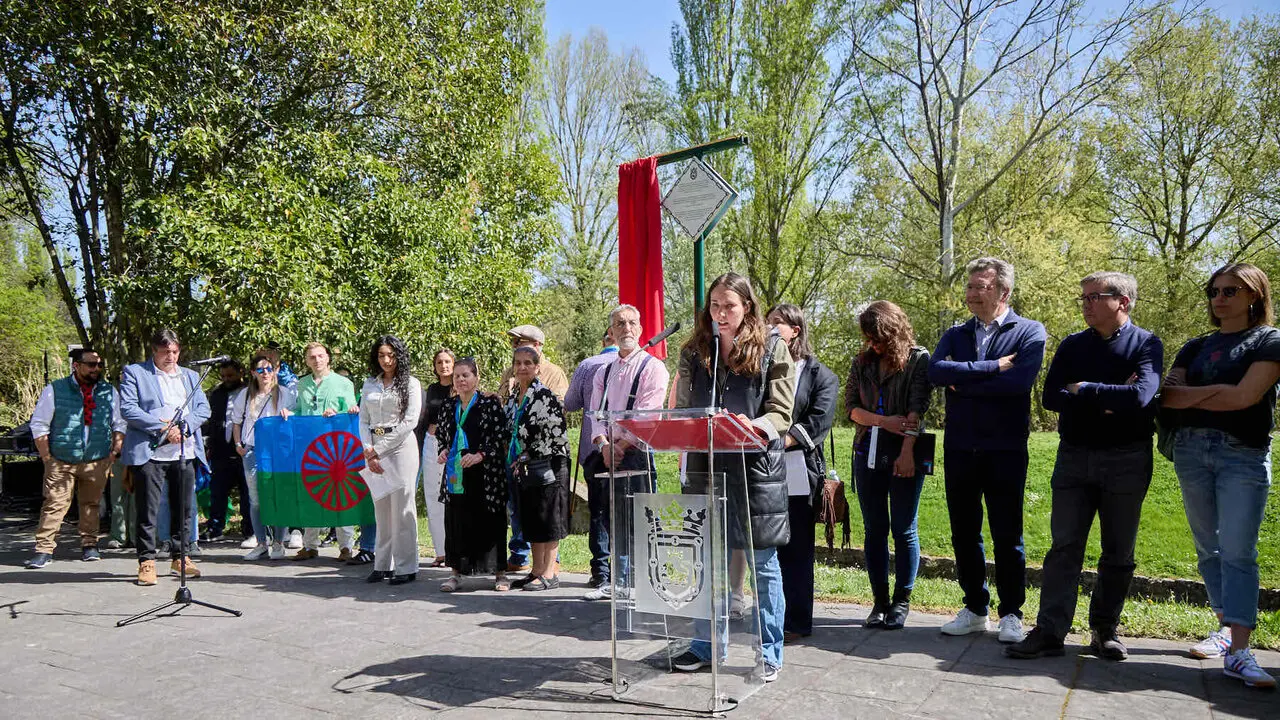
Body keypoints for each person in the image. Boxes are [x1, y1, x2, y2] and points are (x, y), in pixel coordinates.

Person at [1006, 272, 1162, 662]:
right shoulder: (1074, 345)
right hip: (1074, 457)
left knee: (1118, 550)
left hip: (1127, 458)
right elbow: (1050, 397)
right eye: (1084, 297)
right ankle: (1050, 630)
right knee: (1064, 547)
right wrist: (1110, 397)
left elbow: (1142, 396)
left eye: (1095, 297)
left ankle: (1104, 629)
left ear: (1122, 302)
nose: (1086, 304)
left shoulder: (1146, 344)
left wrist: (1084, 389)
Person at [671, 272, 796, 683]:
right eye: (715, 306)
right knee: (707, 561)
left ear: (747, 307)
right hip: (706, 467)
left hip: (755, 468)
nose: (721, 314)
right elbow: (686, 408)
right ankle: (707, 646)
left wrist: (753, 424)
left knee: (762, 563)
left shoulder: (773, 346)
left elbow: (782, 412)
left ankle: (768, 651)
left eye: (729, 306)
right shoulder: (695, 350)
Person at [1160, 263, 1279, 688]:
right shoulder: (1196, 345)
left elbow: (1246, 398)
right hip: (1192, 451)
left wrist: (1198, 396)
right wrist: (1217, 395)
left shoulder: (1270, 341)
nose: (1219, 298)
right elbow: (1169, 397)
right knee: (1208, 547)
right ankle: (1225, 631)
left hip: (1241, 456)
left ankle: (1242, 652)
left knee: (1238, 552)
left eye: (1230, 291)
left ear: (1254, 296)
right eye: (1214, 291)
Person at [929, 257, 1046, 643]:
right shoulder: (956, 333)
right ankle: (975, 608)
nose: (972, 294)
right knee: (964, 532)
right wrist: (993, 367)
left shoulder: (1029, 332)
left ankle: (1012, 612)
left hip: (1005, 449)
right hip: (961, 447)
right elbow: (934, 373)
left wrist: (964, 379)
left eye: (981, 286)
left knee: (1006, 533)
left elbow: (1018, 385)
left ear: (1003, 292)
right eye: (969, 286)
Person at [846, 301, 931, 631]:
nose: (872, 345)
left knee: (904, 528)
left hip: (905, 451)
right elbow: (852, 410)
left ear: (893, 333)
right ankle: (879, 602)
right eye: (868, 338)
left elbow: (916, 411)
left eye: (877, 338)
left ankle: (901, 601)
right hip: (867, 450)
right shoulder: (862, 362)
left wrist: (907, 450)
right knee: (874, 528)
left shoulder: (918, 360)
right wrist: (883, 421)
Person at [582, 306, 668, 599]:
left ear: (641, 329)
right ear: (612, 332)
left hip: (636, 453)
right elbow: (594, 413)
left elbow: (648, 414)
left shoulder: (653, 368)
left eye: (632, 322)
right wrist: (603, 445)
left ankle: (638, 583)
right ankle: (618, 582)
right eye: (620, 324)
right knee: (610, 519)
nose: (626, 328)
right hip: (607, 452)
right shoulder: (603, 371)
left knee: (637, 520)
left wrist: (620, 446)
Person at [767, 304, 838, 641]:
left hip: (799, 472)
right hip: (763, 471)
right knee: (770, 550)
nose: (769, 328)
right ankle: (771, 615)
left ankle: (797, 622)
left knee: (797, 551)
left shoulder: (821, 376)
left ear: (795, 330)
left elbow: (818, 421)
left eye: (776, 323)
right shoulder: (764, 368)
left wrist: (778, 440)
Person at [120, 329, 212, 586]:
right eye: (164, 351)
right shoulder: (135, 373)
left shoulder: (191, 376)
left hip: (184, 450)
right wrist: (162, 428)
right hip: (150, 453)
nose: (170, 356)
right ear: (154, 351)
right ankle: (146, 561)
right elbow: (128, 408)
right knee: (148, 510)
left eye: (174, 351)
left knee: (183, 508)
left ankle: (180, 557)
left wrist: (182, 428)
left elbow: (203, 409)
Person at [24, 348, 126, 569]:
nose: (96, 369)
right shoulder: (55, 389)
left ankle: (90, 545)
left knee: (91, 504)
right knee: (55, 504)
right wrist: (47, 457)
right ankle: (44, 549)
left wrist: (114, 451)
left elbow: (119, 423)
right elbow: (39, 424)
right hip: (61, 458)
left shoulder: (109, 391)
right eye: (91, 365)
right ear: (76, 365)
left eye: (99, 365)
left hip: (97, 459)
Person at [435, 357, 511, 592]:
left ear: (476, 378)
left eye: (466, 375)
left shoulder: (489, 404)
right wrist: (444, 450)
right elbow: (442, 436)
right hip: (457, 473)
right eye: (457, 376)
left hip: (486, 475)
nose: (460, 380)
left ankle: (500, 574)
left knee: (491, 522)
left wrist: (481, 455)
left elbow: (500, 437)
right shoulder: (449, 406)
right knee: (456, 521)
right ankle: (456, 572)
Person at [500, 324, 568, 573]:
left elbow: (555, 420)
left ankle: (550, 568)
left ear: (538, 349)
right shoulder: (514, 380)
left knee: (546, 514)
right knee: (524, 512)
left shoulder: (550, 380)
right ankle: (531, 566)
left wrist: (528, 453)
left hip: (543, 460)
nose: (521, 365)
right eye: (515, 345)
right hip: (517, 459)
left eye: (523, 342)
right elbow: (506, 412)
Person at [285, 342, 361, 561]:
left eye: (320, 356)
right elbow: (300, 410)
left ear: (328, 358)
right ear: (307, 361)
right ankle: (310, 545)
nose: (317, 360)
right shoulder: (301, 384)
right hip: (309, 449)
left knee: (339, 495)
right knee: (311, 494)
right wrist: (288, 412)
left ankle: (346, 545)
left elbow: (351, 410)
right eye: (312, 357)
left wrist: (338, 412)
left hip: (335, 448)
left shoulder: (343, 383)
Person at [359, 336, 422, 585]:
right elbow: (363, 419)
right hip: (373, 447)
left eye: (391, 355)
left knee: (403, 508)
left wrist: (379, 449)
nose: (386, 360)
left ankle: (407, 567)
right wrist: (368, 448)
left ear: (399, 356)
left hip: (401, 448)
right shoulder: (369, 384)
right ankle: (382, 564)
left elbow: (410, 421)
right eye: (381, 355)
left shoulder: (411, 383)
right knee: (381, 508)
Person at [233, 354, 298, 560]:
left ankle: (279, 542)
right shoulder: (245, 395)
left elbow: (298, 416)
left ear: (276, 371)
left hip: (278, 451)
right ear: (253, 373)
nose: (266, 374)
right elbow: (236, 422)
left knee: (279, 496)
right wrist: (238, 444)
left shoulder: (286, 393)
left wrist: (290, 413)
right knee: (256, 499)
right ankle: (262, 543)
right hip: (252, 450)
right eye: (260, 370)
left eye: (269, 369)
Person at [563, 331, 618, 562]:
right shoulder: (642, 363)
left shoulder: (588, 365)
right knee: (627, 513)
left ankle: (600, 571)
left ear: (603, 340)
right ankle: (626, 574)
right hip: (632, 448)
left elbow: (570, 403)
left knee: (599, 512)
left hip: (594, 448)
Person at [201, 359, 248, 543]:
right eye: (223, 376)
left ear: (241, 372)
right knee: (217, 492)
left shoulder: (249, 392)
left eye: (230, 375)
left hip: (243, 449)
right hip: (220, 450)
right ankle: (215, 529)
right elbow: (211, 421)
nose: (227, 379)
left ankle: (250, 530)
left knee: (247, 494)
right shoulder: (217, 393)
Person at [417, 348, 456, 567]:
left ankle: (455, 550)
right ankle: (440, 551)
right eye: (440, 362)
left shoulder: (460, 387)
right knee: (433, 497)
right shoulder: (431, 390)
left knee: (454, 496)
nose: (444, 366)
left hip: (452, 447)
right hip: (431, 445)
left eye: (448, 361)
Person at [497, 324, 569, 403]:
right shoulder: (508, 373)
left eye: (518, 342)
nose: (513, 346)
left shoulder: (554, 374)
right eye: (512, 341)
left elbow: (560, 407)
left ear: (536, 345)